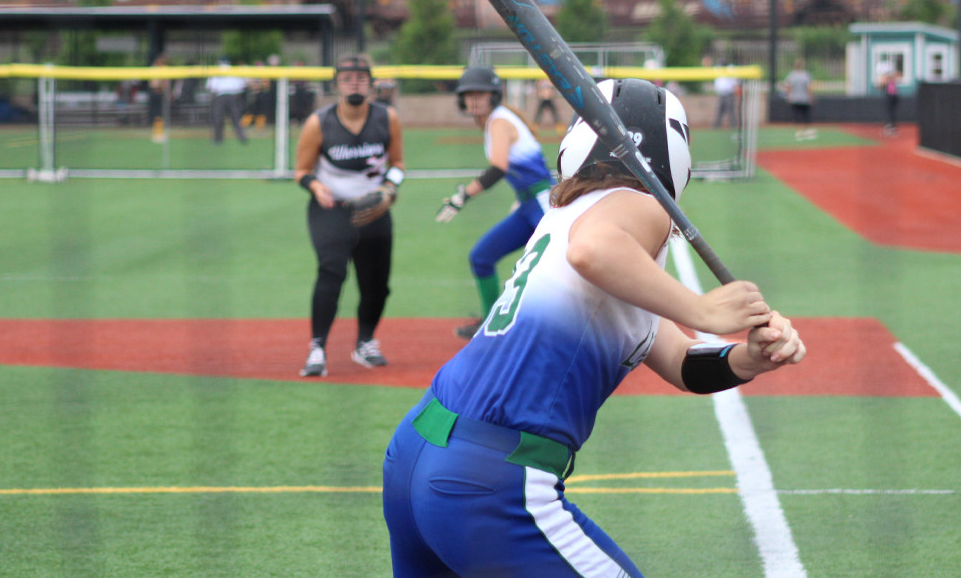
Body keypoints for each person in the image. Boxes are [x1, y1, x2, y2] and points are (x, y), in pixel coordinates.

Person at [383, 78, 806, 577]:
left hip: (416, 451)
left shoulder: (567, 214)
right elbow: (595, 251)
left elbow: (679, 362)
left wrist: (746, 359)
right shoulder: (637, 202)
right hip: (489, 479)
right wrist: (704, 310)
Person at [293, 54, 405, 378]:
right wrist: (315, 187)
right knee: (332, 272)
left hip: (374, 208)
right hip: (332, 209)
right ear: (336, 84)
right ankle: (317, 347)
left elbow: (397, 165)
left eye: (360, 77)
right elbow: (301, 170)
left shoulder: (387, 118)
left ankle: (365, 342)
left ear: (371, 83)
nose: (354, 82)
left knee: (377, 284)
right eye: (346, 77)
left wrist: (388, 190)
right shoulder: (320, 122)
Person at [435, 66, 556, 339]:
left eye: (482, 93)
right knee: (481, 257)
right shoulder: (494, 121)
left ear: (494, 96)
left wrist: (462, 196)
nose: (475, 99)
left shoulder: (499, 121)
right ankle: (491, 322)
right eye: (469, 94)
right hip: (528, 205)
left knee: (556, 270)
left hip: (542, 205)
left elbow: (498, 168)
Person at [205, 58, 248, 144]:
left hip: (221, 96)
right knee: (236, 118)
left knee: (218, 118)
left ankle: (218, 138)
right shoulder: (233, 70)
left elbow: (210, 87)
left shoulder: (216, 71)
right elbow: (242, 86)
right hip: (232, 96)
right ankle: (241, 137)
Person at [783, 58, 815, 140]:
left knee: (796, 116)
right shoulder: (806, 75)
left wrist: (787, 96)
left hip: (794, 98)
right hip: (804, 98)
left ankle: (799, 133)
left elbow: (788, 87)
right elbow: (808, 87)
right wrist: (811, 97)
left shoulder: (791, 75)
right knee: (806, 116)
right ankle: (807, 132)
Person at [147, 54, 169, 143]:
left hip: (159, 93)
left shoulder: (162, 68)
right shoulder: (156, 69)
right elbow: (155, 83)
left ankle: (159, 133)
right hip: (156, 93)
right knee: (157, 114)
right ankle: (157, 134)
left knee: (160, 115)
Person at [712, 60, 740, 129]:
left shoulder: (731, 69)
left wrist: (736, 88)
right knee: (719, 110)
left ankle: (733, 125)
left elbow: (736, 81)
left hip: (729, 94)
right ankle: (716, 125)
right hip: (721, 94)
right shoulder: (718, 69)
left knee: (730, 110)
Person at [880, 67, 901, 137]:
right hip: (892, 96)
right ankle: (890, 128)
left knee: (890, 113)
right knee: (890, 113)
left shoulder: (889, 79)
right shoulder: (889, 79)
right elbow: (880, 86)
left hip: (891, 97)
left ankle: (891, 128)